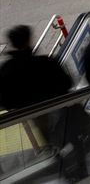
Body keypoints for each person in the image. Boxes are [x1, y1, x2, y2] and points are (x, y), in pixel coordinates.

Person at [0, 26, 83, 178]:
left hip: (35, 116)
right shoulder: (45, 62)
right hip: (58, 108)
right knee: (70, 137)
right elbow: (67, 83)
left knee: (52, 143)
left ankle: (65, 171)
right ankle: (80, 168)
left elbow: (5, 100)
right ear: (28, 40)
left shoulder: (6, 70)